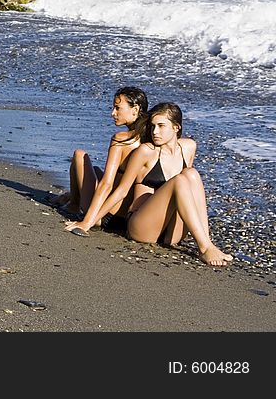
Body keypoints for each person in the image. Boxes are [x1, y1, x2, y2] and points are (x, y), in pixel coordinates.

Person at [68, 102, 232, 266]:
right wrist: (87, 223)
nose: (155, 132)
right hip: (143, 227)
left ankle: (208, 243)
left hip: (171, 234)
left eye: (161, 126)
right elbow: (122, 191)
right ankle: (204, 249)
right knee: (180, 180)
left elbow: (190, 192)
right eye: (153, 126)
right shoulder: (145, 152)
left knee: (191, 174)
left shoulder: (189, 147)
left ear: (176, 128)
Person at [58, 87, 149, 233]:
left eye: (118, 108)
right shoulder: (150, 141)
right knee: (95, 170)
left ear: (135, 109)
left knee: (79, 155)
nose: (113, 113)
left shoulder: (121, 140)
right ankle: (69, 198)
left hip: (106, 217)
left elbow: (106, 184)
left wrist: (87, 222)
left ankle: (74, 204)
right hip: (130, 219)